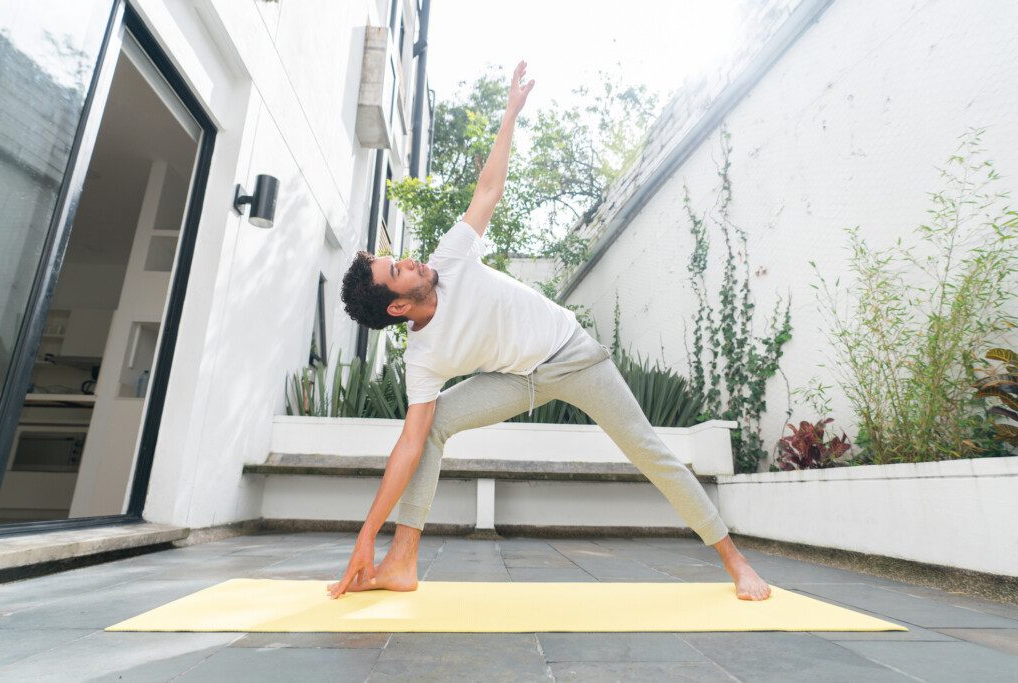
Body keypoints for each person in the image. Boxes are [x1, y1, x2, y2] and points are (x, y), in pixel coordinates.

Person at [330, 61, 771, 601]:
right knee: (432, 426)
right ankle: (400, 562)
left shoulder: (452, 259)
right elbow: (408, 443)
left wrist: (510, 114)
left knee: (647, 450)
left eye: (400, 259)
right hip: (517, 381)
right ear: (398, 308)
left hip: (575, 357)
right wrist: (365, 534)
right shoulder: (422, 357)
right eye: (398, 270)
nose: (412, 262)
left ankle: (735, 561)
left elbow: (488, 188)